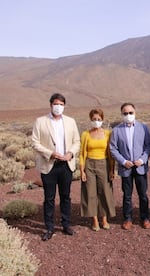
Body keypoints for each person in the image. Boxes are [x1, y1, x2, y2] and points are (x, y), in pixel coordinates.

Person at [32, 93, 80, 241]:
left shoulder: (71, 121)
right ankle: (49, 227)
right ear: (51, 105)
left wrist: (70, 154)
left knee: (66, 197)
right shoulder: (40, 121)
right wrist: (51, 153)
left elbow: (77, 141)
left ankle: (66, 225)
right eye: (56, 104)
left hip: (66, 165)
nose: (58, 107)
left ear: (64, 106)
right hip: (49, 165)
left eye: (61, 104)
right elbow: (35, 143)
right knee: (49, 198)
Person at [110, 103, 150, 230]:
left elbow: (148, 146)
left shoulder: (143, 128)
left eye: (130, 113)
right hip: (126, 168)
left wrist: (142, 159)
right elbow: (113, 148)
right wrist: (123, 161)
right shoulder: (117, 130)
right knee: (127, 195)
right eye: (125, 113)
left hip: (140, 167)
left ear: (135, 112)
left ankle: (145, 218)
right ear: (121, 114)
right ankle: (127, 218)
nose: (128, 115)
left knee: (143, 194)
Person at [79, 109, 116, 231]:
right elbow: (82, 153)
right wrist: (82, 170)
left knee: (105, 190)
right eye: (94, 119)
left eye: (99, 119)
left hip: (104, 164)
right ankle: (95, 220)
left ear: (102, 120)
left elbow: (111, 153)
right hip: (89, 164)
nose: (97, 121)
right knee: (90, 192)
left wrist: (112, 169)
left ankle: (104, 219)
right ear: (91, 120)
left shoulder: (107, 134)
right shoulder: (86, 134)